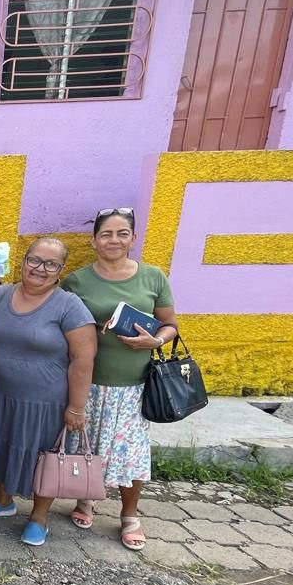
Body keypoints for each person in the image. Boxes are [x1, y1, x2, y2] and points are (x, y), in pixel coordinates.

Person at [0, 239, 98, 546]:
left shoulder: (69, 305)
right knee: (1, 444)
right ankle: (3, 501)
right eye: (34, 260)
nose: (40, 268)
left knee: (42, 456)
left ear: (61, 270)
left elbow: (83, 360)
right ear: (23, 260)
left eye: (50, 264)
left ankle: (39, 517)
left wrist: (77, 407)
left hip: (44, 402)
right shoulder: (0, 295)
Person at [61, 208, 178, 551]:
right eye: (106, 234)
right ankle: (86, 500)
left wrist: (156, 341)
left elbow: (171, 324)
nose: (114, 240)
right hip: (89, 382)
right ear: (94, 241)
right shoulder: (77, 281)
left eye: (122, 233)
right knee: (86, 446)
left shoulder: (153, 277)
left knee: (131, 453)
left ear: (133, 238)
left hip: (133, 385)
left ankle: (129, 514)